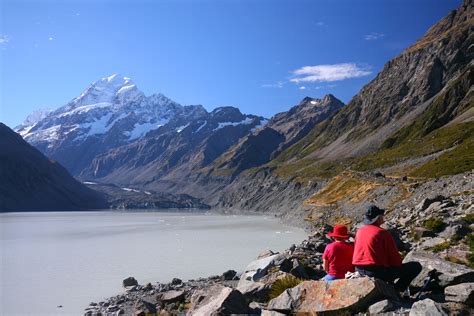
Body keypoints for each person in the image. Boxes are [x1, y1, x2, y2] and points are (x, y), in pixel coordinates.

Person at [352, 205, 422, 292]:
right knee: (415, 266)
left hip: (359, 269)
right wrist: (396, 267)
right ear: (378, 218)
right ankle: (397, 290)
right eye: (381, 215)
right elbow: (394, 257)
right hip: (375, 272)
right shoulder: (382, 233)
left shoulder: (360, 231)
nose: (383, 217)